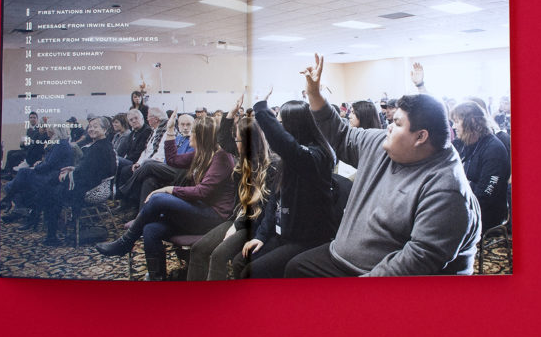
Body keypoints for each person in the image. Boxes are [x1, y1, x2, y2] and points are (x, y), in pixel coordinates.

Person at [285, 54, 481, 277]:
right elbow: (340, 135)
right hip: (341, 259)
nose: (388, 126)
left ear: (420, 137)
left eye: (397, 123)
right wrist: (314, 93)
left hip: (379, 275)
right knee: (295, 269)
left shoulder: (447, 188)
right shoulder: (381, 143)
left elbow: (417, 259)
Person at [95, 114, 236, 281]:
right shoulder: (202, 153)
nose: (189, 134)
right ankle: (157, 278)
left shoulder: (220, 157)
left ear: (202, 137)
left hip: (213, 217)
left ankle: (126, 242)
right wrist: (169, 129)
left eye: (193, 132)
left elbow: (202, 192)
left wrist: (169, 189)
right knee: (150, 230)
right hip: (199, 211)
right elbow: (172, 159)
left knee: (158, 198)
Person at [231, 89, 337, 279]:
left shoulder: (316, 155)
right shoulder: (287, 160)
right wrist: (261, 237)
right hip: (284, 234)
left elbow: (288, 147)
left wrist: (261, 109)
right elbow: (274, 202)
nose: (276, 129)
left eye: (280, 124)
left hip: (307, 239)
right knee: (240, 260)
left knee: (251, 272)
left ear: (294, 126)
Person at [188, 95, 278, 281]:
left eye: (238, 140)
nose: (234, 144)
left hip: (253, 224)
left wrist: (236, 227)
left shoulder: (270, 168)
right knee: (198, 249)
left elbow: (263, 211)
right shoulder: (243, 162)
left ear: (246, 142)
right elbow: (223, 139)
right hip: (239, 218)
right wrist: (231, 113)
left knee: (218, 256)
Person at [38, 117, 117, 246]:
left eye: (95, 126)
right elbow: (89, 168)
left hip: (93, 189)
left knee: (52, 190)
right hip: (90, 183)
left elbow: (90, 173)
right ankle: (53, 230)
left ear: (105, 129)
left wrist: (71, 174)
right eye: (90, 126)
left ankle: (51, 234)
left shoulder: (100, 147)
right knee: (52, 185)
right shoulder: (99, 145)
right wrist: (73, 169)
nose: (91, 129)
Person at [450, 102, 510, 231]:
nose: (454, 126)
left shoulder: (494, 149)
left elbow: (485, 196)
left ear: (472, 122)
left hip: (487, 212)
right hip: (466, 203)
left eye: (456, 121)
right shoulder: (461, 144)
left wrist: (452, 208)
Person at [0, 125, 74, 225]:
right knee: (14, 183)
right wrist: (40, 163)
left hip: (53, 177)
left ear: (55, 130)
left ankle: (9, 201)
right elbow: (49, 162)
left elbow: (49, 165)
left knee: (21, 174)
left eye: (49, 128)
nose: (47, 130)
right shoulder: (59, 143)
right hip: (50, 174)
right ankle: (19, 210)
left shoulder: (60, 144)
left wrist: (36, 167)